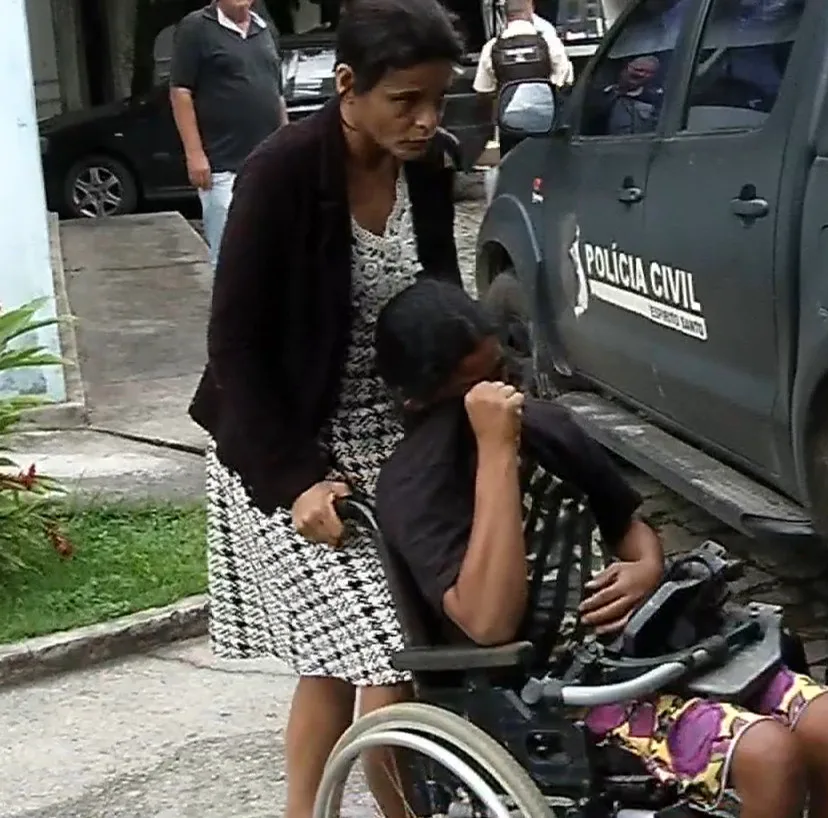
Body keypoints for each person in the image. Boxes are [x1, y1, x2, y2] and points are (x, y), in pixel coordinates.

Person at [373, 279, 828, 818]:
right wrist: (495, 452)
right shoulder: (415, 486)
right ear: (420, 400)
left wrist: (645, 565)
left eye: (501, 375)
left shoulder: (547, 428)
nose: (500, 397)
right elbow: (488, 622)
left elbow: (628, 525)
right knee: (768, 756)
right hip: (554, 695)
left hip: (649, 648)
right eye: (477, 390)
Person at [186, 0, 465, 816]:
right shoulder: (282, 174)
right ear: (347, 86)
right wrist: (297, 476)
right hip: (284, 447)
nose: (425, 120)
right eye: (404, 101)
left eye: (438, 100)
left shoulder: (429, 166)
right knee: (383, 652)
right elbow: (233, 345)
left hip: (394, 444)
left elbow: (443, 305)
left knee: (339, 657)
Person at [169, 0, 288, 270]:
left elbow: (276, 95)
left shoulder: (265, 29)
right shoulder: (196, 27)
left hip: (269, 165)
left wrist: (287, 144)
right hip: (223, 166)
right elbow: (181, 92)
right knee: (231, 259)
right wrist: (195, 154)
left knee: (273, 252)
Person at [475, 0, 572, 157]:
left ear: (506, 16)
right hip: (546, 121)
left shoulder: (491, 47)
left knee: (512, 167)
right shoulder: (549, 42)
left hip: (509, 124)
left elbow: (483, 91)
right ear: (531, 10)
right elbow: (566, 81)